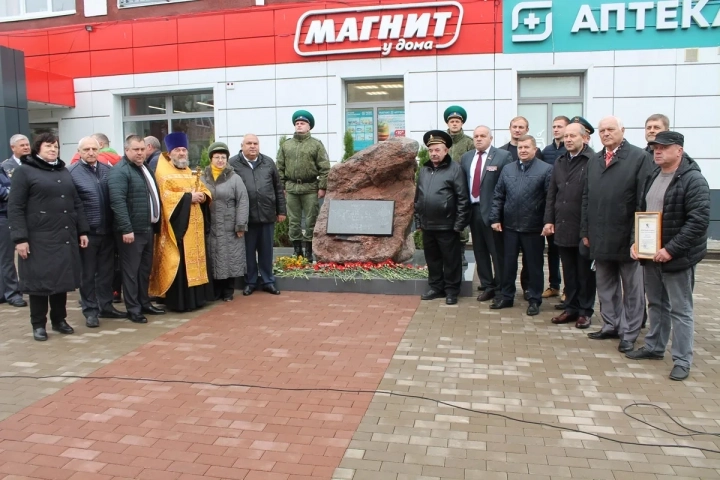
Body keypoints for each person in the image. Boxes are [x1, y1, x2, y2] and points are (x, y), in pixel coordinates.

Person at [627, 131, 709, 381]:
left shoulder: (693, 180)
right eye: (654, 147)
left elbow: (698, 221)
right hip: (651, 255)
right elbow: (642, 212)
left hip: (677, 257)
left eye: (663, 147)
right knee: (656, 304)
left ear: (679, 150)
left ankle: (682, 360)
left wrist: (671, 249)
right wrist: (636, 242)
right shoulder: (653, 175)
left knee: (680, 310)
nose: (657, 151)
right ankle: (654, 347)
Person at [7, 133, 89, 341]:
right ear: (38, 148)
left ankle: (59, 320)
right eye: (48, 146)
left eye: (56, 146)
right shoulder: (24, 172)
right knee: (40, 282)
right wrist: (20, 239)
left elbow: (76, 202)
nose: (53, 149)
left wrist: (82, 230)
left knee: (61, 280)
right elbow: (15, 207)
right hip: (38, 237)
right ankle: (38, 324)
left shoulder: (63, 170)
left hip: (64, 235)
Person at [581, 116, 653, 353]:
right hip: (600, 235)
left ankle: (629, 333)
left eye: (611, 129)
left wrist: (637, 238)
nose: (606, 133)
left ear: (622, 130)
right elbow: (586, 198)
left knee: (632, 290)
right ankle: (610, 325)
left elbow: (643, 200)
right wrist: (586, 231)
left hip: (626, 237)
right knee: (605, 286)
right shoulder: (595, 160)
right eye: (602, 130)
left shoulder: (638, 158)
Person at [149, 132, 214, 312]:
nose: (182, 153)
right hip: (177, 228)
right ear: (170, 153)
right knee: (181, 262)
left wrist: (204, 196)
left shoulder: (189, 171)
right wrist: (188, 197)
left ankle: (198, 299)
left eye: (184, 150)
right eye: (178, 150)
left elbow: (203, 188)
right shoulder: (162, 173)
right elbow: (165, 197)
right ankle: (181, 301)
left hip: (195, 227)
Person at [490, 135, 552, 316]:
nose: (523, 150)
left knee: (534, 266)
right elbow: (498, 195)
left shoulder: (546, 169)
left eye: (526, 147)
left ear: (534, 149)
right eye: (520, 147)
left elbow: (550, 199)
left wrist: (548, 221)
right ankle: (507, 296)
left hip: (533, 227)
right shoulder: (508, 169)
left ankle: (534, 299)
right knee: (508, 264)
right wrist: (495, 218)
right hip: (509, 226)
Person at [543, 120, 596, 329]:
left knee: (585, 273)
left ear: (585, 138)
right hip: (563, 225)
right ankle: (571, 307)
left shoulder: (593, 160)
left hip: (583, 228)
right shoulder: (560, 161)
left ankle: (585, 311)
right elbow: (552, 194)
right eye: (566, 136)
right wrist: (549, 220)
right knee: (569, 272)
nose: (568, 139)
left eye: (573, 136)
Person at [69, 137, 126, 328]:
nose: (91, 152)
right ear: (80, 152)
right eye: (86, 149)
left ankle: (106, 306)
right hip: (88, 233)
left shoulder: (107, 170)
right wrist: (81, 231)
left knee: (106, 272)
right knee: (87, 274)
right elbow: (73, 207)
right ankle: (90, 310)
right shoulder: (73, 173)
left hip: (108, 231)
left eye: (94, 149)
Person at [108, 135, 164, 324]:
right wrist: (126, 229)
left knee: (143, 270)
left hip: (147, 228)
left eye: (142, 149)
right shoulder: (120, 171)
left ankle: (144, 302)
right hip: (131, 231)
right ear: (126, 150)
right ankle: (133, 308)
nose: (140, 153)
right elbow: (118, 202)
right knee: (130, 272)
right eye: (136, 150)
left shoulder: (144, 167)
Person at [415, 130, 470, 306]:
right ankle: (436, 287)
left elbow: (462, 198)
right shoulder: (424, 169)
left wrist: (459, 224)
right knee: (432, 260)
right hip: (428, 225)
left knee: (451, 261)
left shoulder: (455, 169)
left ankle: (452, 291)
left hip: (447, 225)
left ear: (446, 150)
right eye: (431, 150)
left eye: (437, 150)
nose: (433, 153)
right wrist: (418, 221)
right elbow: (418, 197)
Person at [460, 126, 512, 303]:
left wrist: (499, 214)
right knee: (479, 251)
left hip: (493, 213)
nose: (479, 139)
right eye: (476, 136)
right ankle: (487, 285)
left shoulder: (502, 156)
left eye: (483, 136)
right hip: (473, 211)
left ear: (491, 138)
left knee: (497, 252)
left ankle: (501, 288)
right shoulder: (466, 158)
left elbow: (506, 187)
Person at [230, 134, 286, 296]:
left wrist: (281, 211)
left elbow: (278, 188)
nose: (252, 146)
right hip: (246, 217)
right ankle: (250, 282)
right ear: (242, 145)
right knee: (248, 252)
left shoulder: (268, 162)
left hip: (267, 215)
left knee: (266, 251)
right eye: (249, 143)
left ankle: (268, 281)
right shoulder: (233, 164)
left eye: (255, 143)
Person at [277, 110, 331, 260]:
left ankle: (308, 251)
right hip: (292, 188)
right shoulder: (286, 145)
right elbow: (279, 167)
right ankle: (296, 250)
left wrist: (322, 187)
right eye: (297, 123)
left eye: (302, 123)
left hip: (310, 188)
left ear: (309, 127)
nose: (299, 125)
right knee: (293, 221)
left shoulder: (316, 145)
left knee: (310, 220)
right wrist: (282, 187)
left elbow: (325, 167)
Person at [201, 142, 249, 302]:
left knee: (230, 259)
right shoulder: (202, 177)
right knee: (214, 257)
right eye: (217, 157)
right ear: (211, 159)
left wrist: (241, 224)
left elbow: (243, 201)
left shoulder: (234, 178)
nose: (220, 160)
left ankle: (228, 291)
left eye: (223, 157)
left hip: (229, 226)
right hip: (211, 226)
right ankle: (214, 291)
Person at [444, 105, 474, 267]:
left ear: (462, 123)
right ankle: (449, 253)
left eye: (457, 121)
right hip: (444, 188)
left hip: (463, 187)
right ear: (448, 123)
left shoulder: (469, 143)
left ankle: (461, 252)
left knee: (462, 221)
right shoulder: (441, 141)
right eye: (452, 121)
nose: (454, 124)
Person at [0, 159, 25, 307]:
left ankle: (5, 292)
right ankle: (12, 292)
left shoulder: (3, 169)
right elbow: (5, 193)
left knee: (4, 258)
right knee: (6, 258)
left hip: (6, 215)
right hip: (3, 217)